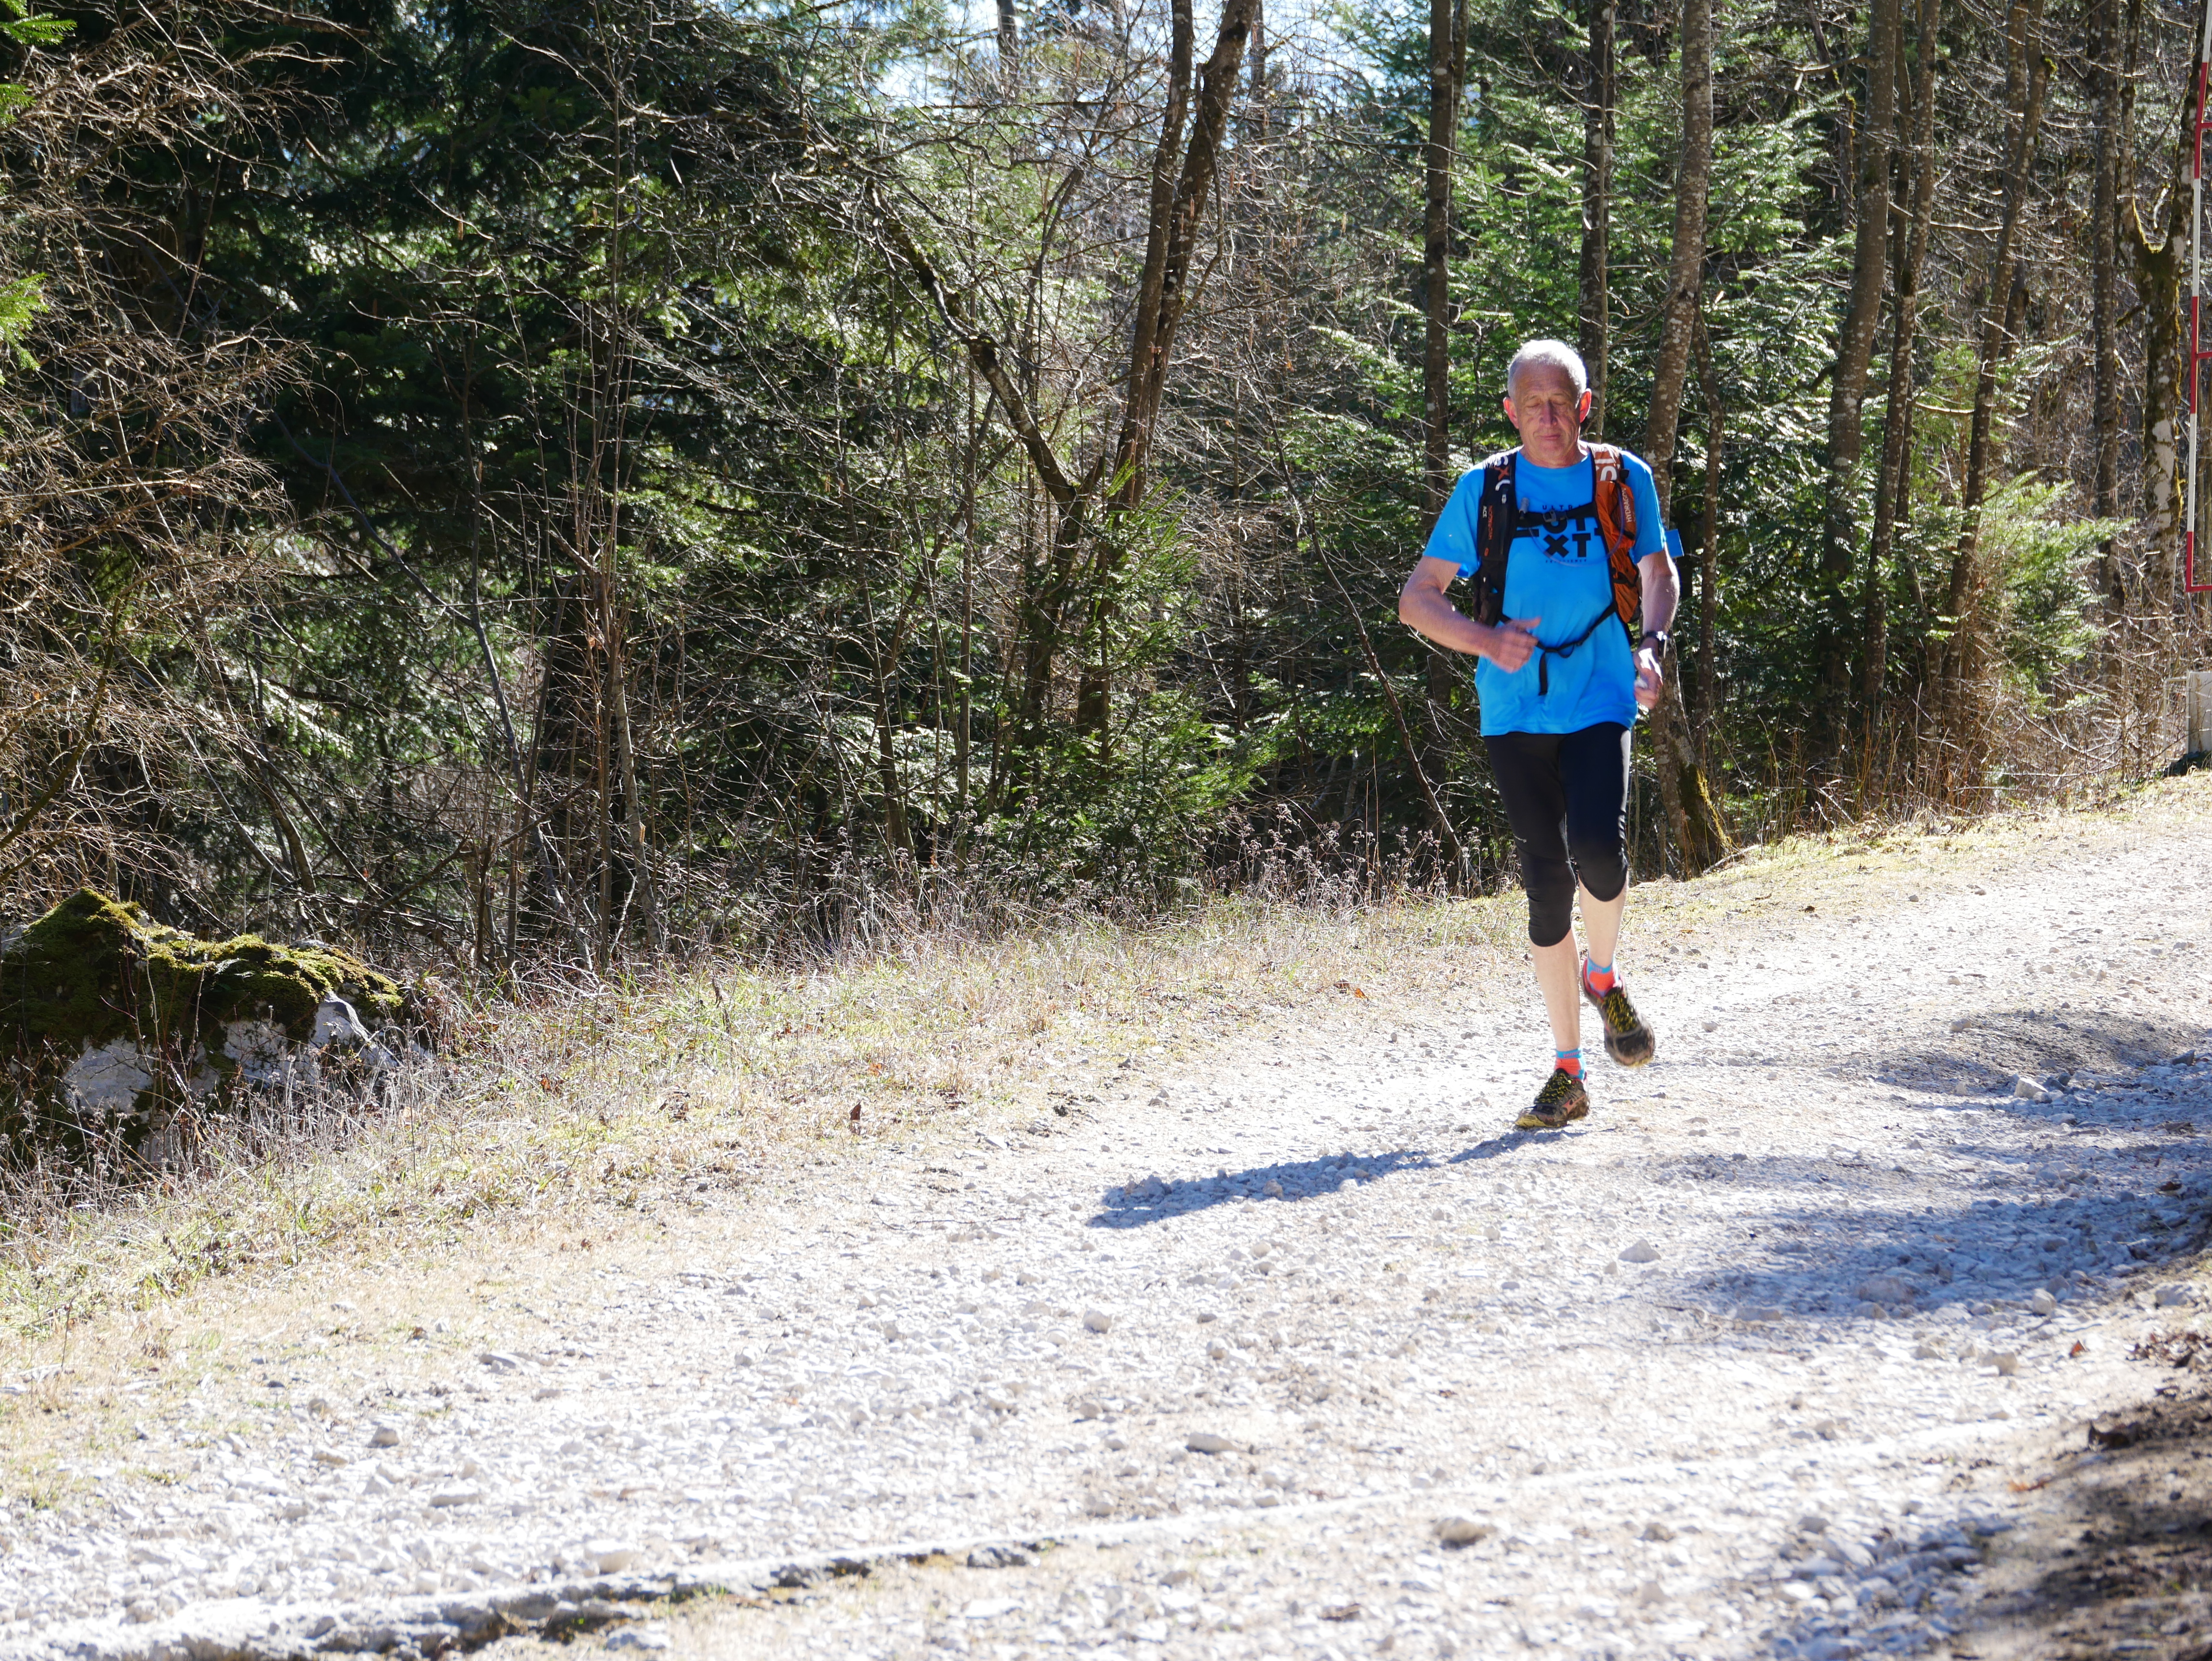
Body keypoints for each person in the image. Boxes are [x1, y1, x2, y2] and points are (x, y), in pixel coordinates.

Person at [1397, 338, 1680, 1130]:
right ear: (1510, 412)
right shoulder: (1482, 490)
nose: (1548, 418)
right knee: (1546, 882)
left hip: (1599, 694)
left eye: (1562, 403)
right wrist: (1486, 642)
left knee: (1600, 847)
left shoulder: (1624, 481)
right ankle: (1567, 1070)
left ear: (1584, 406)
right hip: (1514, 709)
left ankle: (1603, 974)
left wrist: (1649, 650)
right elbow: (1417, 600)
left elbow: (1659, 576)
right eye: (1533, 405)